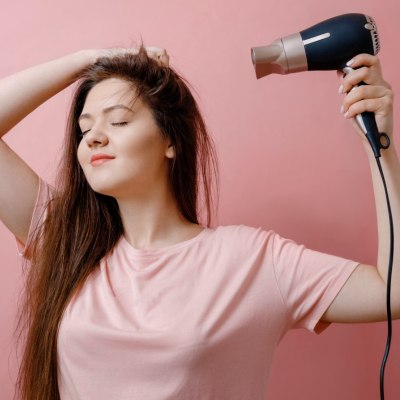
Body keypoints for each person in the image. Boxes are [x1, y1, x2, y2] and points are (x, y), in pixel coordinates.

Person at [0, 45, 398, 400]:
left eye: (118, 121)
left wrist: (378, 145)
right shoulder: (67, 244)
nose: (94, 139)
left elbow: (392, 290)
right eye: (85, 129)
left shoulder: (253, 261)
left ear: (170, 140)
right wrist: (89, 61)